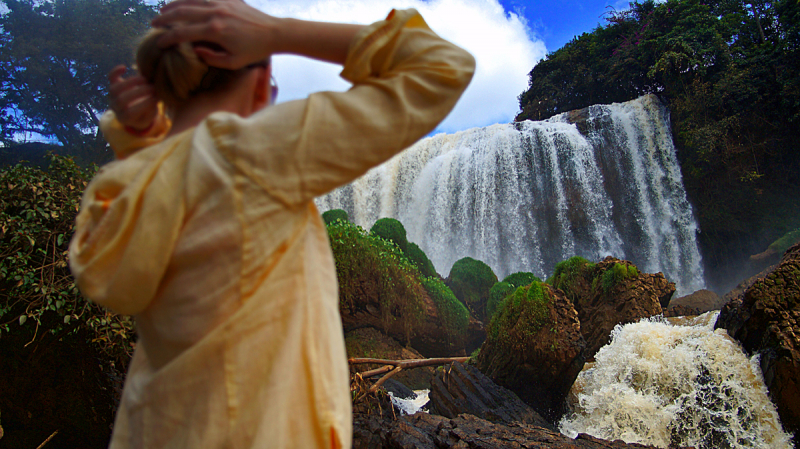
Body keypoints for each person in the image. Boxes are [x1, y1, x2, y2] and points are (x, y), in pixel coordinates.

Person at [68, 0, 474, 447]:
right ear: (261, 81)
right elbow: (443, 65)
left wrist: (144, 141)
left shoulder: (120, 186)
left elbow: (115, 271)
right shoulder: (258, 151)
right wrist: (279, 32)